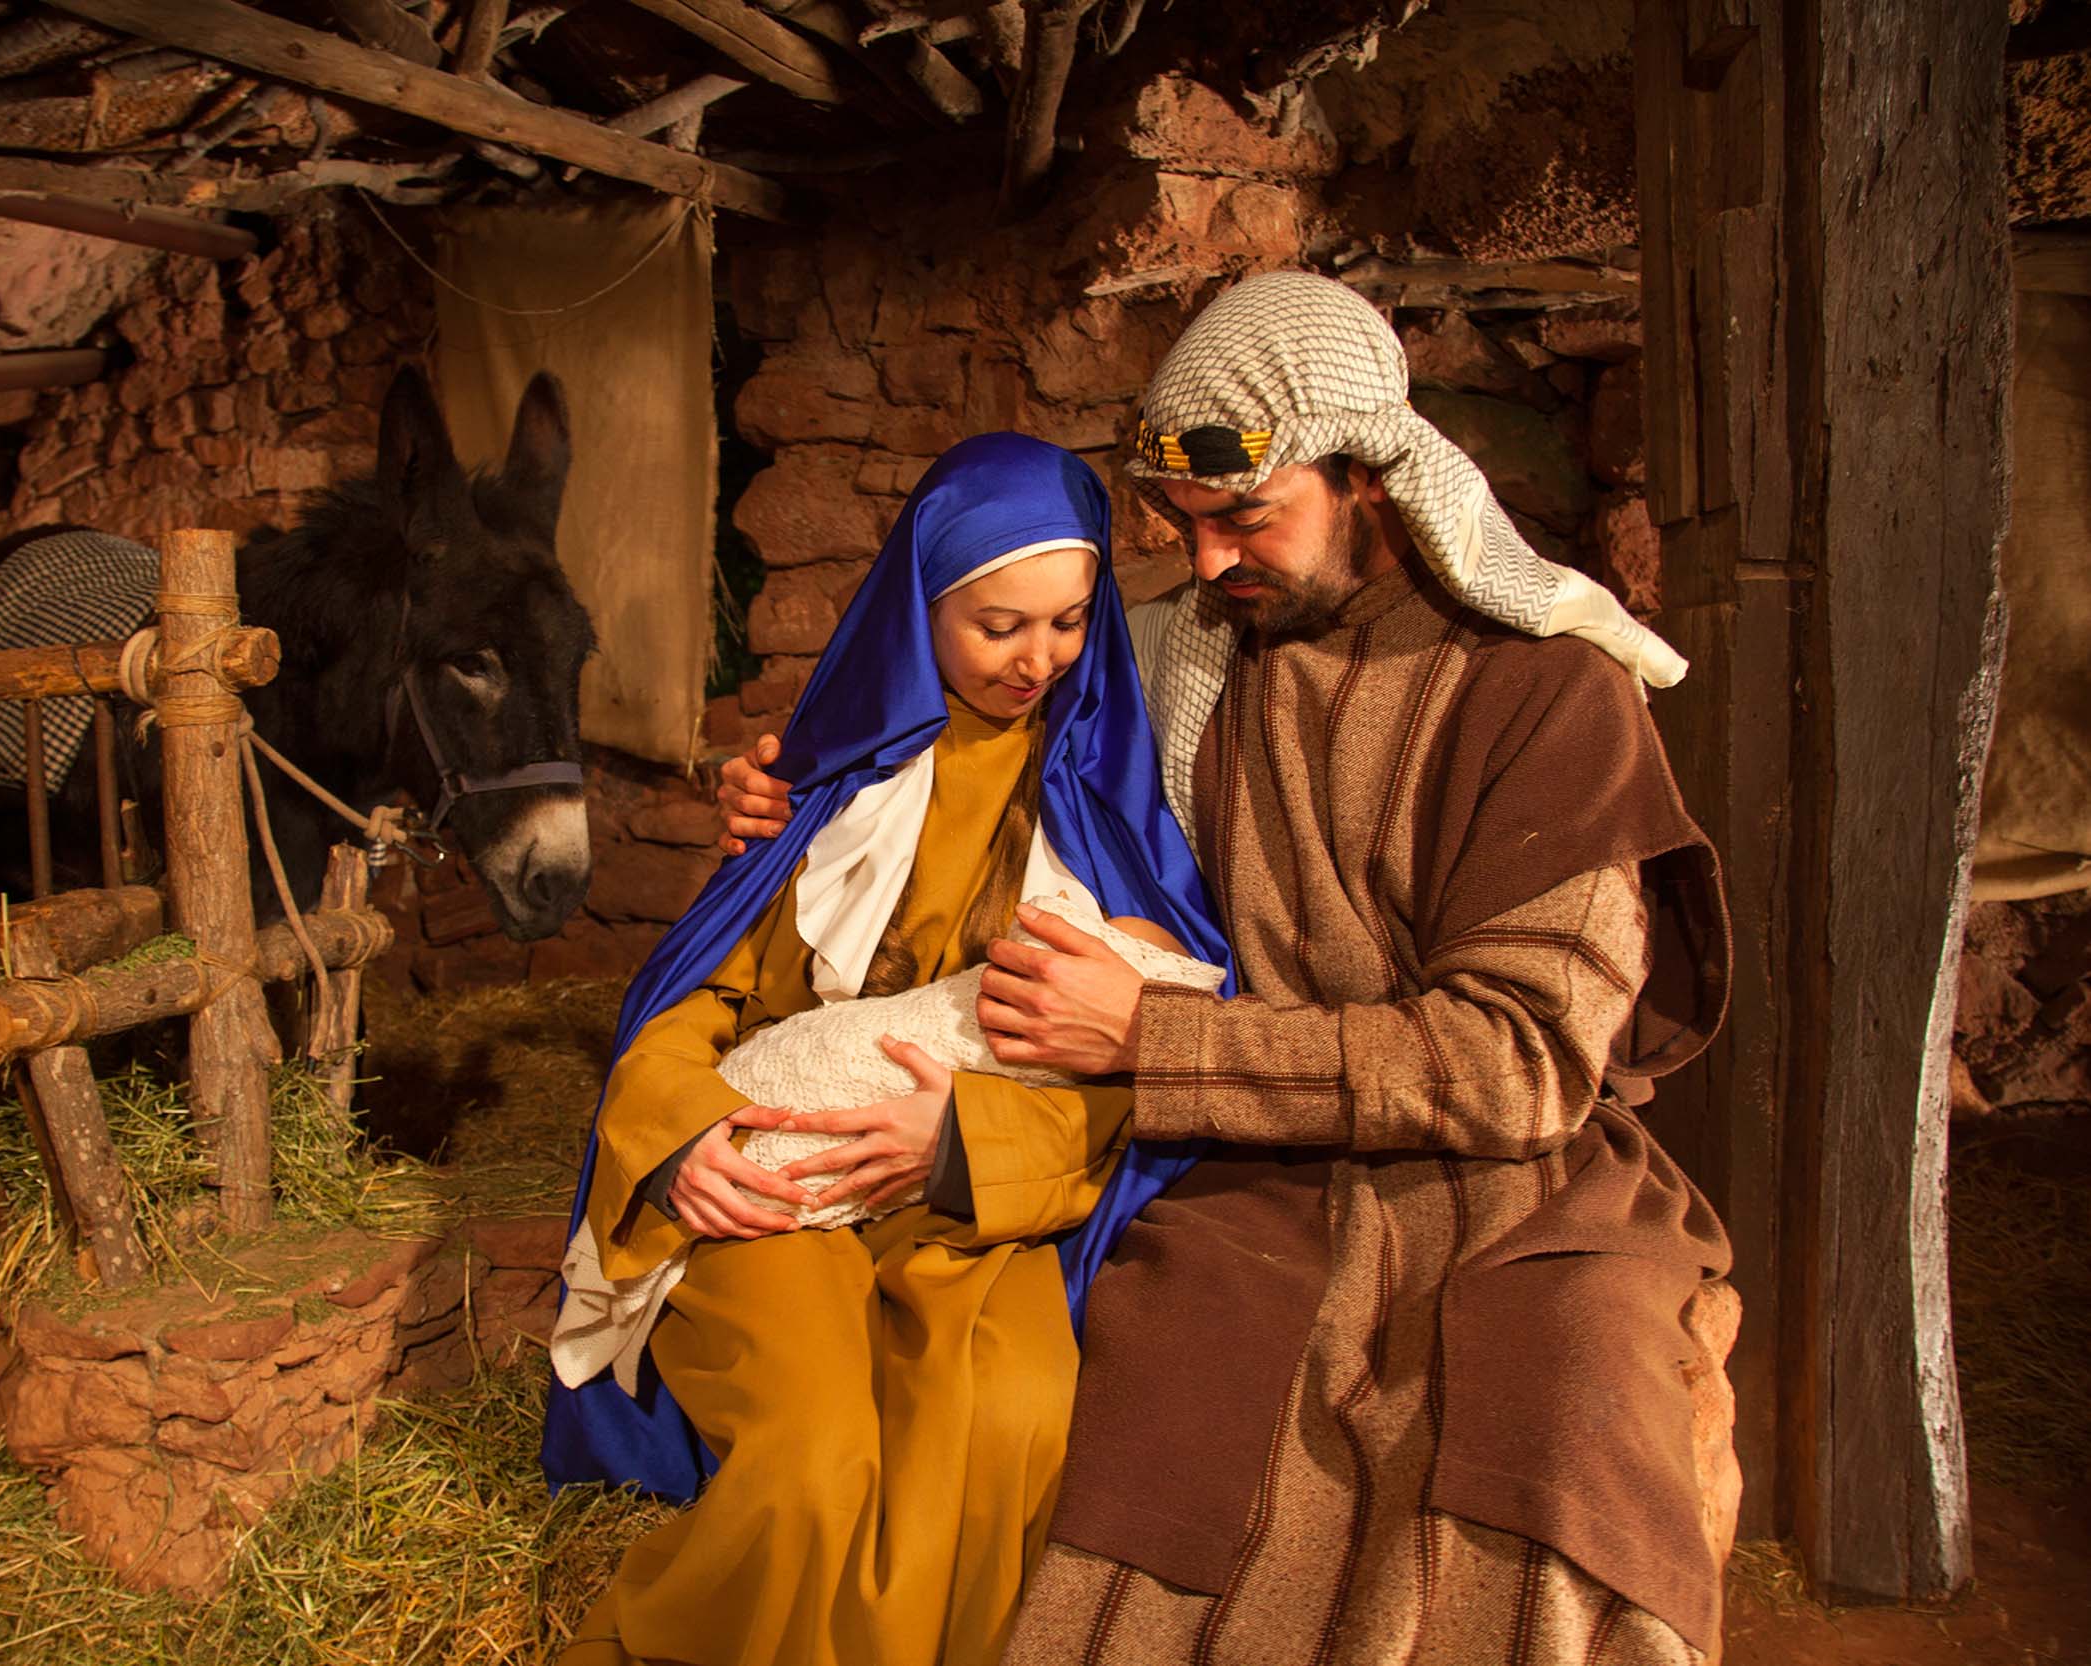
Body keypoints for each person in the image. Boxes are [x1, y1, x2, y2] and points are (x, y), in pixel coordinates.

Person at [715, 273, 1736, 1666]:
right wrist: (784, 805)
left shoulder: (1550, 695)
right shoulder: (1178, 662)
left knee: (1562, 1417)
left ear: (1372, 474)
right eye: (1182, 527)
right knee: (1162, 1412)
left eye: (1245, 518)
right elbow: (935, 734)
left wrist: (1158, 1039)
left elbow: (1519, 1064)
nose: (1204, 566)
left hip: (1524, 1182)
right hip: (1246, 1172)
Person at [543, 432, 1234, 1666]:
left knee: (1013, 1419)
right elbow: (690, 1006)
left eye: (1070, 623)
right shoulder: (828, 783)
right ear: (923, 614)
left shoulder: (1104, 810)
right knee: (814, 1459)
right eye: (998, 625)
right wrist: (679, 1137)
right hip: (786, 1175)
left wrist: (960, 1144)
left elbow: (1147, 1069)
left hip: (976, 1199)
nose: (1038, 660)